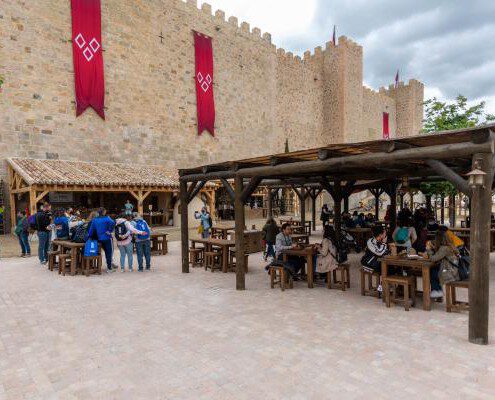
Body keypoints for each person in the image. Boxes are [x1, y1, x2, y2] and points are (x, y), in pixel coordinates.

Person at [422, 230, 459, 299]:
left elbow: (433, 258)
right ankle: (438, 292)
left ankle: (436, 292)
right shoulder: (451, 245)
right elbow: (441, 255)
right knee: (435, 270)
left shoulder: (444, 248)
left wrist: (428, 249)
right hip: (454, 270)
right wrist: (433, 248)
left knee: (432, 272)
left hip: (450, 273)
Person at [361, 225, 389, 292]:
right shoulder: (370, 241)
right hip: (369, 263)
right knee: (385, 268)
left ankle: (386, 287)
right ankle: (381, 289)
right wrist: (384, 243)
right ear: (380, 234)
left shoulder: (380, 241)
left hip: (376, 261)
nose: (386, 234)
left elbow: (384, 252)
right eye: (385, 233)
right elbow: (379, 253)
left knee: (393, 268)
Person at [87, 208, 116, 273]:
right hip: (107, 238)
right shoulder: (107, 218)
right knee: (109, 253)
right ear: (104, 212)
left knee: (99, 252)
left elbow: (91, 230)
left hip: (99, 239)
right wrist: (109, 230)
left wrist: (89, 237)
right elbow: (113, 223)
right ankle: (109, 268)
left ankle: (98, 267)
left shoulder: (95, 220)